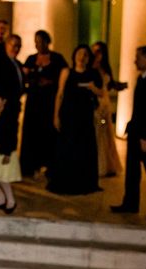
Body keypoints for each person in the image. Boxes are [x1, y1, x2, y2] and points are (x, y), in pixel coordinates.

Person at [111, 46, 146, 221]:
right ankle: (130, 203)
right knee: (132, 171)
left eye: (138, 57)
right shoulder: (142, 78)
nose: (136, 61)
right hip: (136, 132)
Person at [47, 45, 102, 195]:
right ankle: (65, 181)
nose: (82, 57)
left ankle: (84, 182)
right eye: (79, 53)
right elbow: (59, 94)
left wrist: (93, 88)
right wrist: (55, 115)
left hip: (84, 116)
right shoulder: (66, 72)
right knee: (67, 146)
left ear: (88, 58)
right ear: (74, 55)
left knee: (84, 147)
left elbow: (102, 93)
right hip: (68, 114)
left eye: (85, 55)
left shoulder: (93, 73)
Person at [20, 31, 68, 178]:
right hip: (33, 101)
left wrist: (50, 83)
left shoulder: (57, 59)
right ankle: (31, 165)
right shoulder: (31, 59)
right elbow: (24, 77)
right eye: (36, 41)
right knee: (32, 132)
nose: (37, 44)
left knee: (48, 132)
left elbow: (63, 78)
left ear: (47, 41)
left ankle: (49, 165)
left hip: (49, 102)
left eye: (40, 41)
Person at [91, 41, 123, 177]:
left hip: (105, 103)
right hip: (96, 103)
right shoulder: (91, 68)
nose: (96, 54)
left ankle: (107, 164)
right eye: (94, 51)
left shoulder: (105, 68)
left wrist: (118, 86)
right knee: (97, 133)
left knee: (106, 134)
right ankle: (96, 164)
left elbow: (108, 85)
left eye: (99, 51)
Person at [0, 90, 20, 213]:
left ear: (4, 101)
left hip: (3, 152)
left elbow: (12, 136)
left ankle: (11, 200)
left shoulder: (9, 117)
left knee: (3, 177)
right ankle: (1, 198)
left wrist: (7, 153)